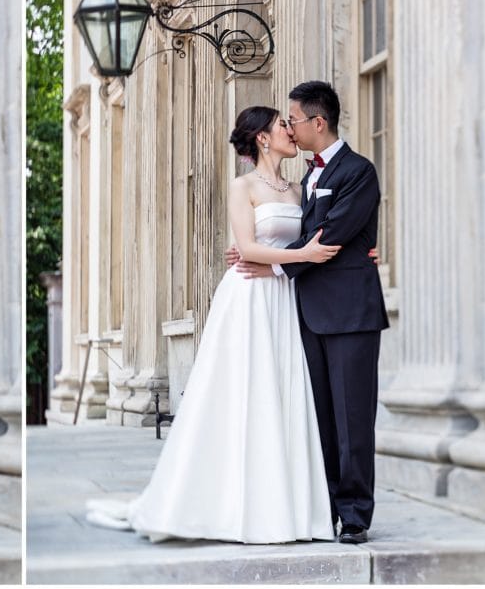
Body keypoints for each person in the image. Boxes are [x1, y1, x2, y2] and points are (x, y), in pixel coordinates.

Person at [87, 106, 338, 544]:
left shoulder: (300, 190)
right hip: (248, 298)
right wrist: (300, 257)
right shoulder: (243, 187)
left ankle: (289, 509)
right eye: (283, 125)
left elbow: (307, 238)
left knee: (284, 396)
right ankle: (235, 506)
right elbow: (247, 247)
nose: (290, 131)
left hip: (284, 298)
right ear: (262, 137)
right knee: (246, 394)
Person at [232, 81, 389, 545]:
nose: (290, 128)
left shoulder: (359, 171)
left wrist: (273, 267)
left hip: (350, 312)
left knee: (353, 416)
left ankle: (356, 514)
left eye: (294, 119)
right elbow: (297, 234)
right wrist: (253, 250)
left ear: (318, 122)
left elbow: (332, 233)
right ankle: (328, 509)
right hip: (306, 313)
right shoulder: (304, 179)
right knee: (319, 416)